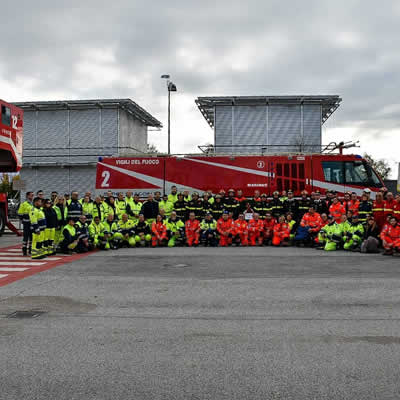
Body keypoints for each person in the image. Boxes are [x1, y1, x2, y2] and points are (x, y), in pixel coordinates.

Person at [17, 191, 34, 256]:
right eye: (31, 195)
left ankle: (30, 250)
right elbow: (20, 214)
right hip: (26, 223)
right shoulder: (23, 204)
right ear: (27, 196)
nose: (32, 196)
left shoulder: (33, 204)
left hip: (33, 223)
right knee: (26, 237)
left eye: (33, 195)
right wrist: (24, 221)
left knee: (32, 237)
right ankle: (24, 250)